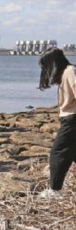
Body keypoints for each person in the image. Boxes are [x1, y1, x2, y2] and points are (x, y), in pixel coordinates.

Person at [38, 48, 76, 198]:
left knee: (58, 152)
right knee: (72, 152)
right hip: (69, 117)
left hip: (72, 118)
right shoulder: (66, 72)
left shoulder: (70, 71)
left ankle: (54, 190)